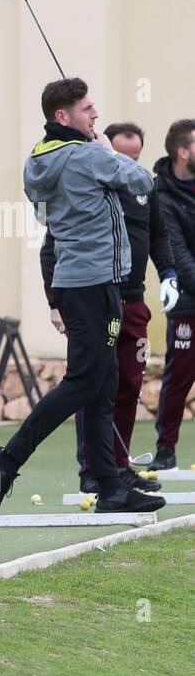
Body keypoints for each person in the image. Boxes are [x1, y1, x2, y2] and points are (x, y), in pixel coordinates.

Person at [0, 77, 164, 515]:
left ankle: (110, 485)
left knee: (103, 385)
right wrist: (104, 148)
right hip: (94, 285)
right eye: (87, 110)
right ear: (62, 117)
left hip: (77, 282)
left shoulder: (36, 162)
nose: (95, 115)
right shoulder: (87, 157)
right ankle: (5, 461)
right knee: (85, 382)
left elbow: (46, 212)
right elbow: (143, 181)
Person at [40, 122, 176, 492]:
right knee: (92, 385)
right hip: (96, 300)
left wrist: (168, 275)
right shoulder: (88, 189)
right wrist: (55, 304)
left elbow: (158, 235)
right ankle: (92, 470)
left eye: (135, 157)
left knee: (129, 385)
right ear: (104, 151)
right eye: (121, 156)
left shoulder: (143, 188)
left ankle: (118, 464)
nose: (130, 164)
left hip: (133, 302)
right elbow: (51, 247)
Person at [149, 119, 195, 470]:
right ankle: (165, 449)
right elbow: (177, 257)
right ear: (183, 151)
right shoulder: (161, 196)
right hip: (186, 304)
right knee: (179, 377)